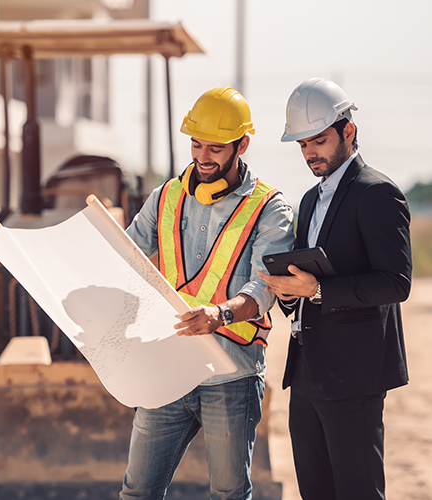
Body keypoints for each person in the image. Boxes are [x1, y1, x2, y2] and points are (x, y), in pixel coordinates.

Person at [119, 86, 294, 500]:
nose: (202, 157)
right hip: (168, 368)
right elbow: (125, 258)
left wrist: (221, 314)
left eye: (215, 147)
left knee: (229, 495)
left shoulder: (270, 209)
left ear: (242, 145)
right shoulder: (164, 197)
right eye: (196, 144)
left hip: (231, 374)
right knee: (137, 492)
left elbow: (264, 288)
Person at [260, 78, 412, 500]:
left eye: (319, 140)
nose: (310, 152)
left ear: (349, 132)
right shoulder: (308, 199)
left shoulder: (378, 193)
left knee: (357, 492)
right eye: (303, 144)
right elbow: (309, 282)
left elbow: (396, 282)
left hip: (356, 377)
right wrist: (291, 293)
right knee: (315, 491)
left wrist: (320, 291)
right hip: (307, 372)